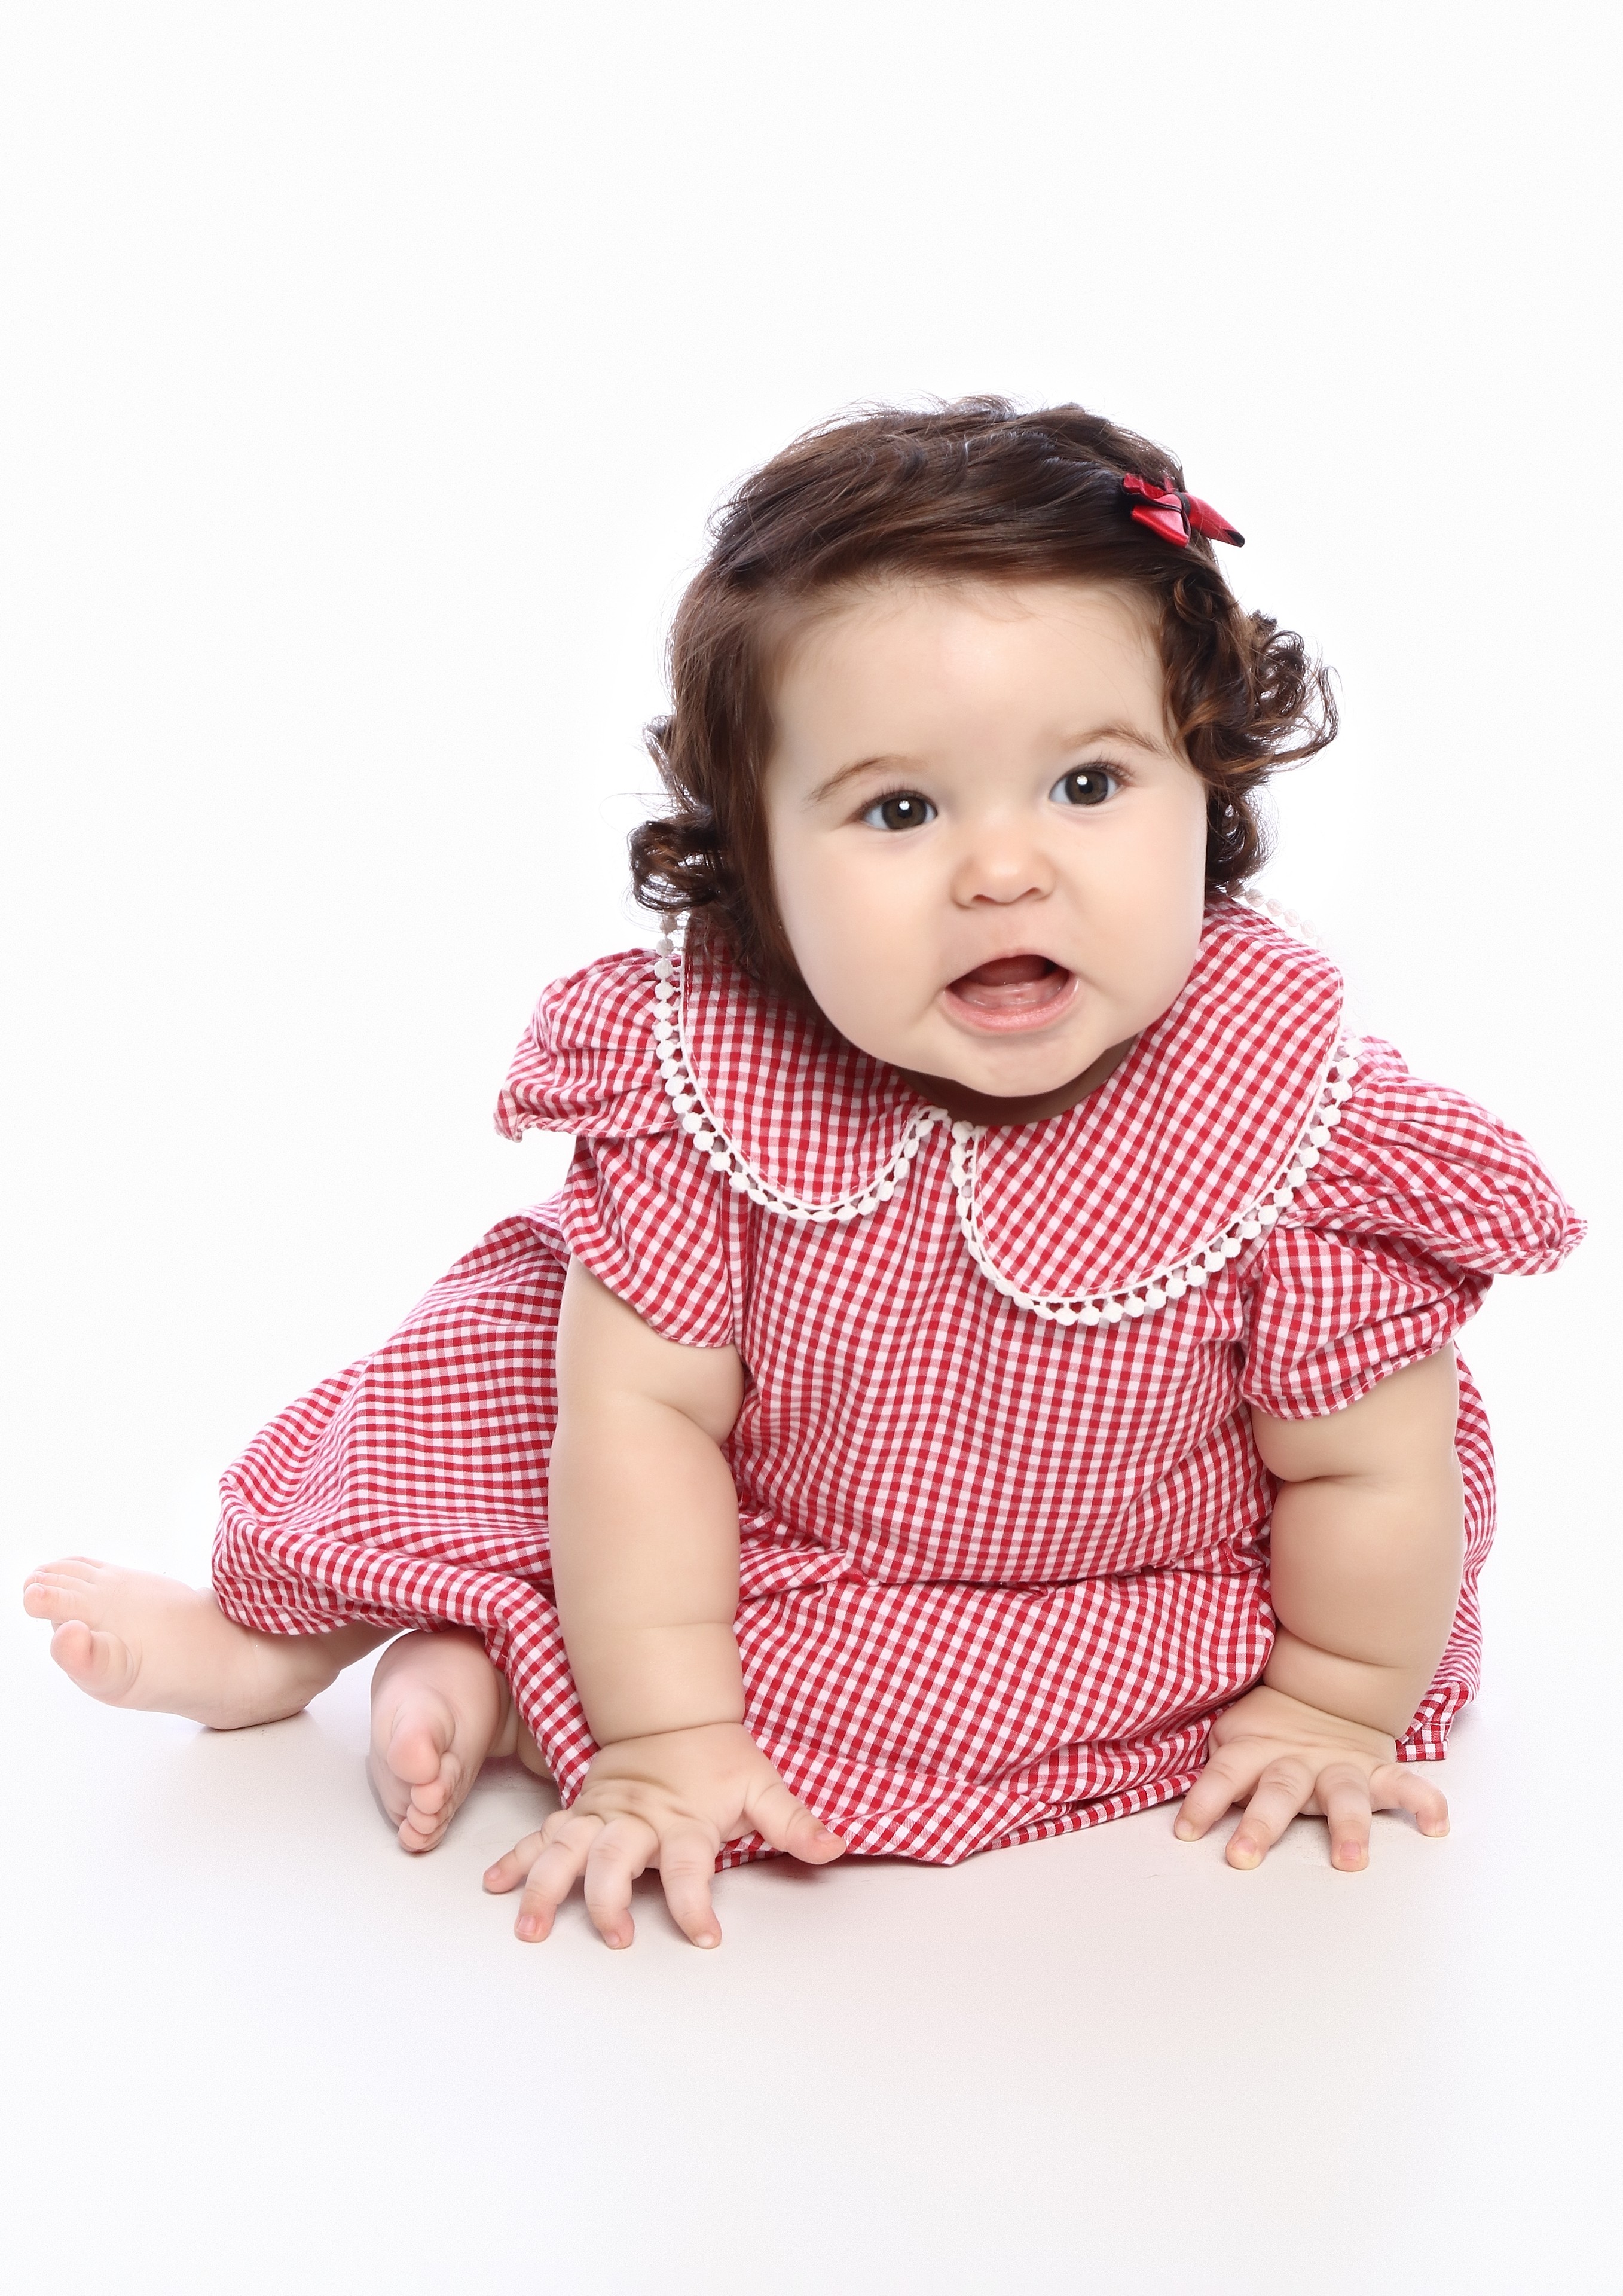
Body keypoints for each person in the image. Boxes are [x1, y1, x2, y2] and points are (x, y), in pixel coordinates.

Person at [23, 400, 1582, 1950]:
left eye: (1088, 785)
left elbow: (1368, 1475)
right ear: (755, 865)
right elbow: (640, 1430)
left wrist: (1330, 1705)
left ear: (1211, 790)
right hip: (716, 1507)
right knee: (499, 1395)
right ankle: (291, 1641)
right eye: (899, 810)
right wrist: (662, 1743)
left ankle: (496, 1671)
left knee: (1025, 1679)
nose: (1002, 869)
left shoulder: (1292, 1122)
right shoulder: (707, 1081)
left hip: (1109, 1568)